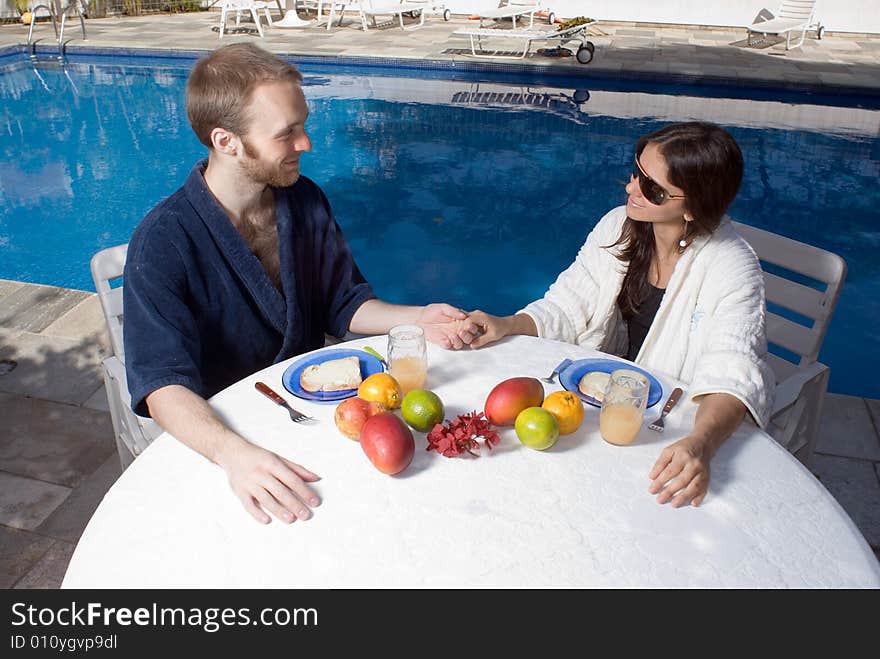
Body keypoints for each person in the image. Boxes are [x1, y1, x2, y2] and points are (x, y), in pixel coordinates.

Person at [123, 43, 477, 525]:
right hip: (225, 437)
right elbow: (162, 384)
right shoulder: (163, 241)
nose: (306, 143)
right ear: (226, 141)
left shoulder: (304, 200)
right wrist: (234, 455)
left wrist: (418, 319)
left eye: (302, 125)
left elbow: (343, 304)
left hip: (317, 414)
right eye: (287, 134)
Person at [466, 122, 775, 509]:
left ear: (695, 207)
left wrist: (700, 443)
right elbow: (567, 305)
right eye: (637, 173)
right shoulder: (620, 225)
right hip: (599, 408)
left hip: (667, 429)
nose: (631, 189)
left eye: (652, 188)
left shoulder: (731, 265)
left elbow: (733, 371)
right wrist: (507, 324)